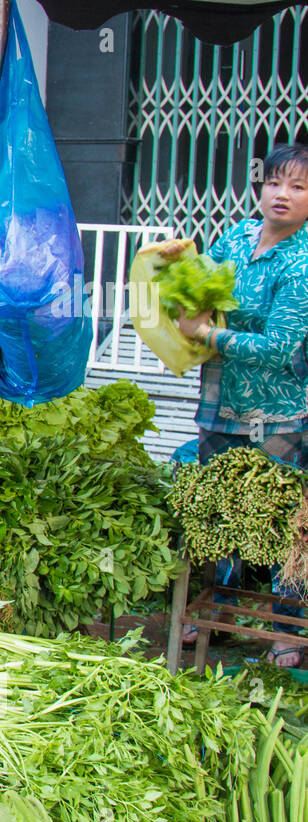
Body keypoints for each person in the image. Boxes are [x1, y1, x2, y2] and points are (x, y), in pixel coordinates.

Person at [176, 142, 308, 666]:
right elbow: (199, 292)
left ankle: (287, 630)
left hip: (281, 415)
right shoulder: (235, 237)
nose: (283, 194)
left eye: (298, 187)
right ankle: (220, 612)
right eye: (275, 182)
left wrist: (209, 334)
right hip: (219, 406)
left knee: (284, 526)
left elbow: (281, 348)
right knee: (218, 518)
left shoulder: (301, 262)